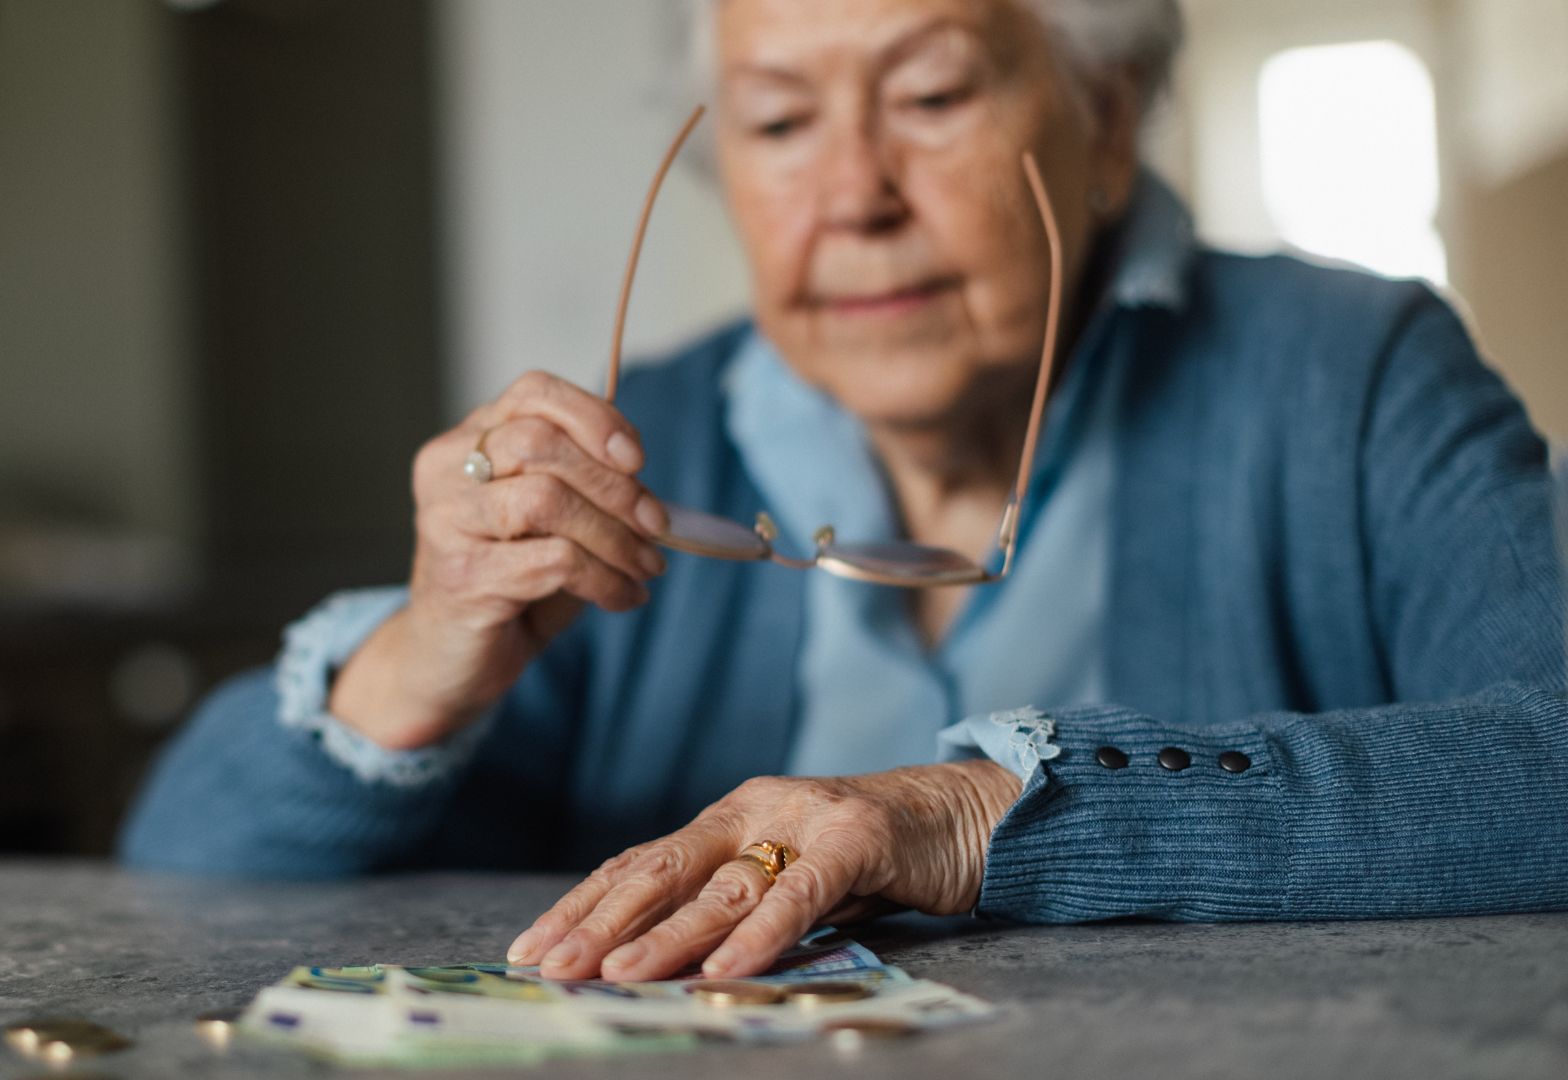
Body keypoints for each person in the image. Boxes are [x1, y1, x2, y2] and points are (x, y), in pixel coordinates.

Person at [121, 0, 1568, 983]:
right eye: (775, 122)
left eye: (932, 96)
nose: (855, 196)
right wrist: (417, 661)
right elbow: (179, 882)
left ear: (1108, 114)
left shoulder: (1348, 377)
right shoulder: (634, 450)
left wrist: (972, 815)